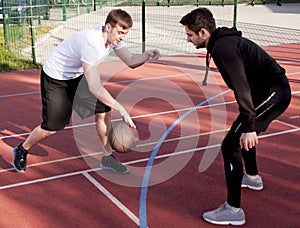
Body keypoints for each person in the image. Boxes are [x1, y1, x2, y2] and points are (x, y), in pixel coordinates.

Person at [13, 9, 160, 174]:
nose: (122, 37)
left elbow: (131, 61)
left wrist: (147, 55)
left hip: (75, 75)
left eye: (125, 33)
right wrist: (122, 108)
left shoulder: (114, 40)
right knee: (52, 127)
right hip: (55, 77)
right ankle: (22, 149)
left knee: (104, 109)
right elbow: (95, 87)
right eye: (120, 32)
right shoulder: (92, 42)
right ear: (108, 27)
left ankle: (107, 158)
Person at [180, 7, 291, 225]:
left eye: (190, 34)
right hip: (264, 93)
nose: (188, 39)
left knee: (230, 145)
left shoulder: (223, 47)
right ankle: (252, 177)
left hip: (273, 93)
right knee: (240, 135)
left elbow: (242, 88)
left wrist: (249, 126)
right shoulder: (221, 44)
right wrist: (247, 124)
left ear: (203, 32)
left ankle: (233, 209)